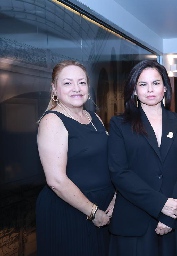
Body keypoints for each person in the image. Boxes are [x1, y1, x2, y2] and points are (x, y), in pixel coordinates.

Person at [107, 60, 177, 256]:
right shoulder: (120, 124)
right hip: (134, 221)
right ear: (134, 90)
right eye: (143, 84)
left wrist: (169, 214)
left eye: (156, 83)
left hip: (175, 219)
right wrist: (161, 205)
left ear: (165, 87)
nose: (150, 89)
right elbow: (119, 173)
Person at [36, 60, 115, 256]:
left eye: (81, 82)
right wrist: (94, 212)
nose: (76, 88)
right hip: (70, 211)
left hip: (104, 207)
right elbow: (56, 180)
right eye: (67, 83)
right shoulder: (52, 121)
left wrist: (115, 198)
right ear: (54, 88)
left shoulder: (93, 117)